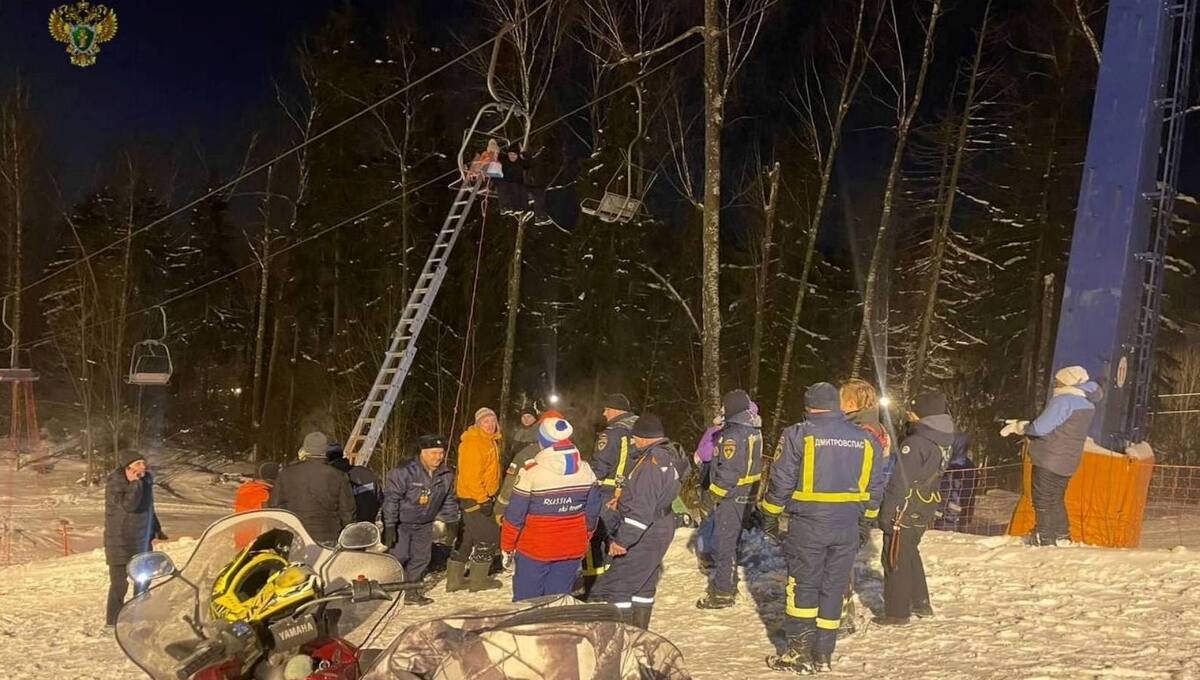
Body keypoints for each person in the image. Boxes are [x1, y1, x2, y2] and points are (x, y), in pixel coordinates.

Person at [758, 383, 885, 674]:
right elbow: (874, 486)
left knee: (803, 586)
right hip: (848, 526)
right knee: (833, 588)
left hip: (809, 526)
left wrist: (770, 513)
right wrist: (867, 520)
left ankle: (798, 653)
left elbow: (782, 480)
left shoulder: (798, 434)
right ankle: (823, 653)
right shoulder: (867, 440)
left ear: (809, 406)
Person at [590, 414, 688, 630]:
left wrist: (622, 542)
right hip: (661, 523)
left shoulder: (650, 464)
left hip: (647, 530)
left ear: (644, 437)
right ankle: (639, 636)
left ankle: (622, 641)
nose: (634, 442)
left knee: (618, 587)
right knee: (644, 585)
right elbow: (652, 496)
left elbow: (641, 511)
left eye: (635, 438)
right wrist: (623, 500)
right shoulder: (669, 455)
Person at [874, 392, 954, 626]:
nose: (908, 413)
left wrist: (887, 513)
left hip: (905, 507)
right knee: (909, 550)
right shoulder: (942, 439)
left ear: (923, 414)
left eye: (912, 410)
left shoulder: (915, 443)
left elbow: (901, 481)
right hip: (925, 504)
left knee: (894, 556)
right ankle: (920, 601)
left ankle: (897, 612)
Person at [1001, 365, 1103, 546]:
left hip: (1049, 457)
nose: (1055, 383)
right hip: (1069, 459)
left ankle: (1044, 536)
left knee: (1043, 499)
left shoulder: (1064, 401)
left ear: (1068, 382)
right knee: (1056, 498)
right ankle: (1061, 535)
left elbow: (1040, 428)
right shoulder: (1087, 405)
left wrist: (1020, 427)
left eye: (1059, 380)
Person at [501, 416, 600, 601]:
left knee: (527, 602)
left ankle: (527, 629)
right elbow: (593, 511)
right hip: (572, 547)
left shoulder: (531, 472)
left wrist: (507, 546)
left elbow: (515, 515)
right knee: (557, 600)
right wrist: (585, 536)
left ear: (543, 441)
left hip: (535, 548)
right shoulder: (586, 470)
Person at [836, 378, 893, 636]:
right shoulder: (878, 428)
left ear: (850, 403)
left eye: (840, 399)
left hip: (848, 501)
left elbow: (860, 471)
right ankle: (840, 612)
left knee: (837, 559)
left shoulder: (859, 432)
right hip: (860, 502)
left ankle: (839, 615)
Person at [697, 389, 763, 609]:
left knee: (723, 543)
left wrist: (712, 495)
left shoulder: (732, 435)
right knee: (730, 541)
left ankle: (723, 591)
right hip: (747, 493)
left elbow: (728, 473)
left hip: (732, 496)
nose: (722, 411)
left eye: (725, 407)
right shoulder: (752, 430)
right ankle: (726, 584)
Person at [382, 435, 461, 606]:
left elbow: (448, 500)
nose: (438, 457)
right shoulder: (405, 472)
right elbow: (391, 499)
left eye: (441, 453)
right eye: (433, 453)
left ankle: (411, 592)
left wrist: (452, 522)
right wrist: (389, 526)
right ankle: (386, 589)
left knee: (421, 558)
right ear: (422, 452)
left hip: (425, 524)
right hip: (402, 524)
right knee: (399, 556)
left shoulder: (445, 474)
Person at [581, 394, 640, 594]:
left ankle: (594, 586)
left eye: (606, 409)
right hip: (633, 493)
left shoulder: (613, 432)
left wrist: (586, 481)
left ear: (615, 409)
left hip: (608, 493)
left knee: (596, 536)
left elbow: (601, 465)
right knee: (620, 537)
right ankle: (621, 581)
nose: (604, 413)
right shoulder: (639, 430)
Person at [104, 450, 165, 626]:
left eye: (143, 463)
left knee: (144, 579)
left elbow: (148, 509)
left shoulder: (145, 481)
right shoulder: (116, 484)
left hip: (141, 539)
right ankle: (113, 621)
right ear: (128, 468)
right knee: (119, 584)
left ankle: (139, 614)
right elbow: (129, 505)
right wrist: (135, 484)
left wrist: (156, 528)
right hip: (119, 540)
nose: (143, 466)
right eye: (138, 463)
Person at [450, 407, 503, 592]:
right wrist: (483, 499)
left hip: (476, 496)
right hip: (475, 498)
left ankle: (454, 581)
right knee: (489, 537)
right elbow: (472, 476)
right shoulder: (474, 442)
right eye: (485, 421)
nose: (490, 425)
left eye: (492, 420)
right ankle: (478, 581)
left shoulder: (489, 441)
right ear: (478, 423)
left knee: (468, 538)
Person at [268, 431, 355, 544]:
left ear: (305, 449)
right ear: (325, 450)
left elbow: (275, 506)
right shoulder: (339, 476)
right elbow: (347, 511)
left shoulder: (286, 473)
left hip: (295, 536)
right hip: (328, 536)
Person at [495, 409, 564, 523]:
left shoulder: (530, 450)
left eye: (530, 416)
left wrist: (500, 508)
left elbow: (511, 481)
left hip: (533, 506)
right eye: (524, 416)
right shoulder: (572, 454)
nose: (526, 419)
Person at [327, 443, 384, 524]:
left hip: (346, 529)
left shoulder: (332, 479)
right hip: (368, 526)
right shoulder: (365, 472)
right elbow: (380, 500)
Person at [233, 462, 280, 548]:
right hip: (259, 542)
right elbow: (272, 519)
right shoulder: (266, 494)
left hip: (242, 539)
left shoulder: (246, 489)